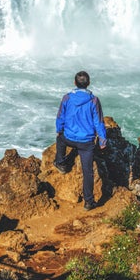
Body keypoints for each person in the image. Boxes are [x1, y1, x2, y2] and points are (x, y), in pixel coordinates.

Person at [54, 70, 107, 210]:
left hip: (69, 138)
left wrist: (59, 130)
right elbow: (99, 122)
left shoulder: (67, 98)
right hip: (86, 143)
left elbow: (60, 117)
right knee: (88, 172)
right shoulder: (94, 100)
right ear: (88, 84)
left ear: (74, 83)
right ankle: (89, 202)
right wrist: (102, 140)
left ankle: (61, 163)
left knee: (60, 139)